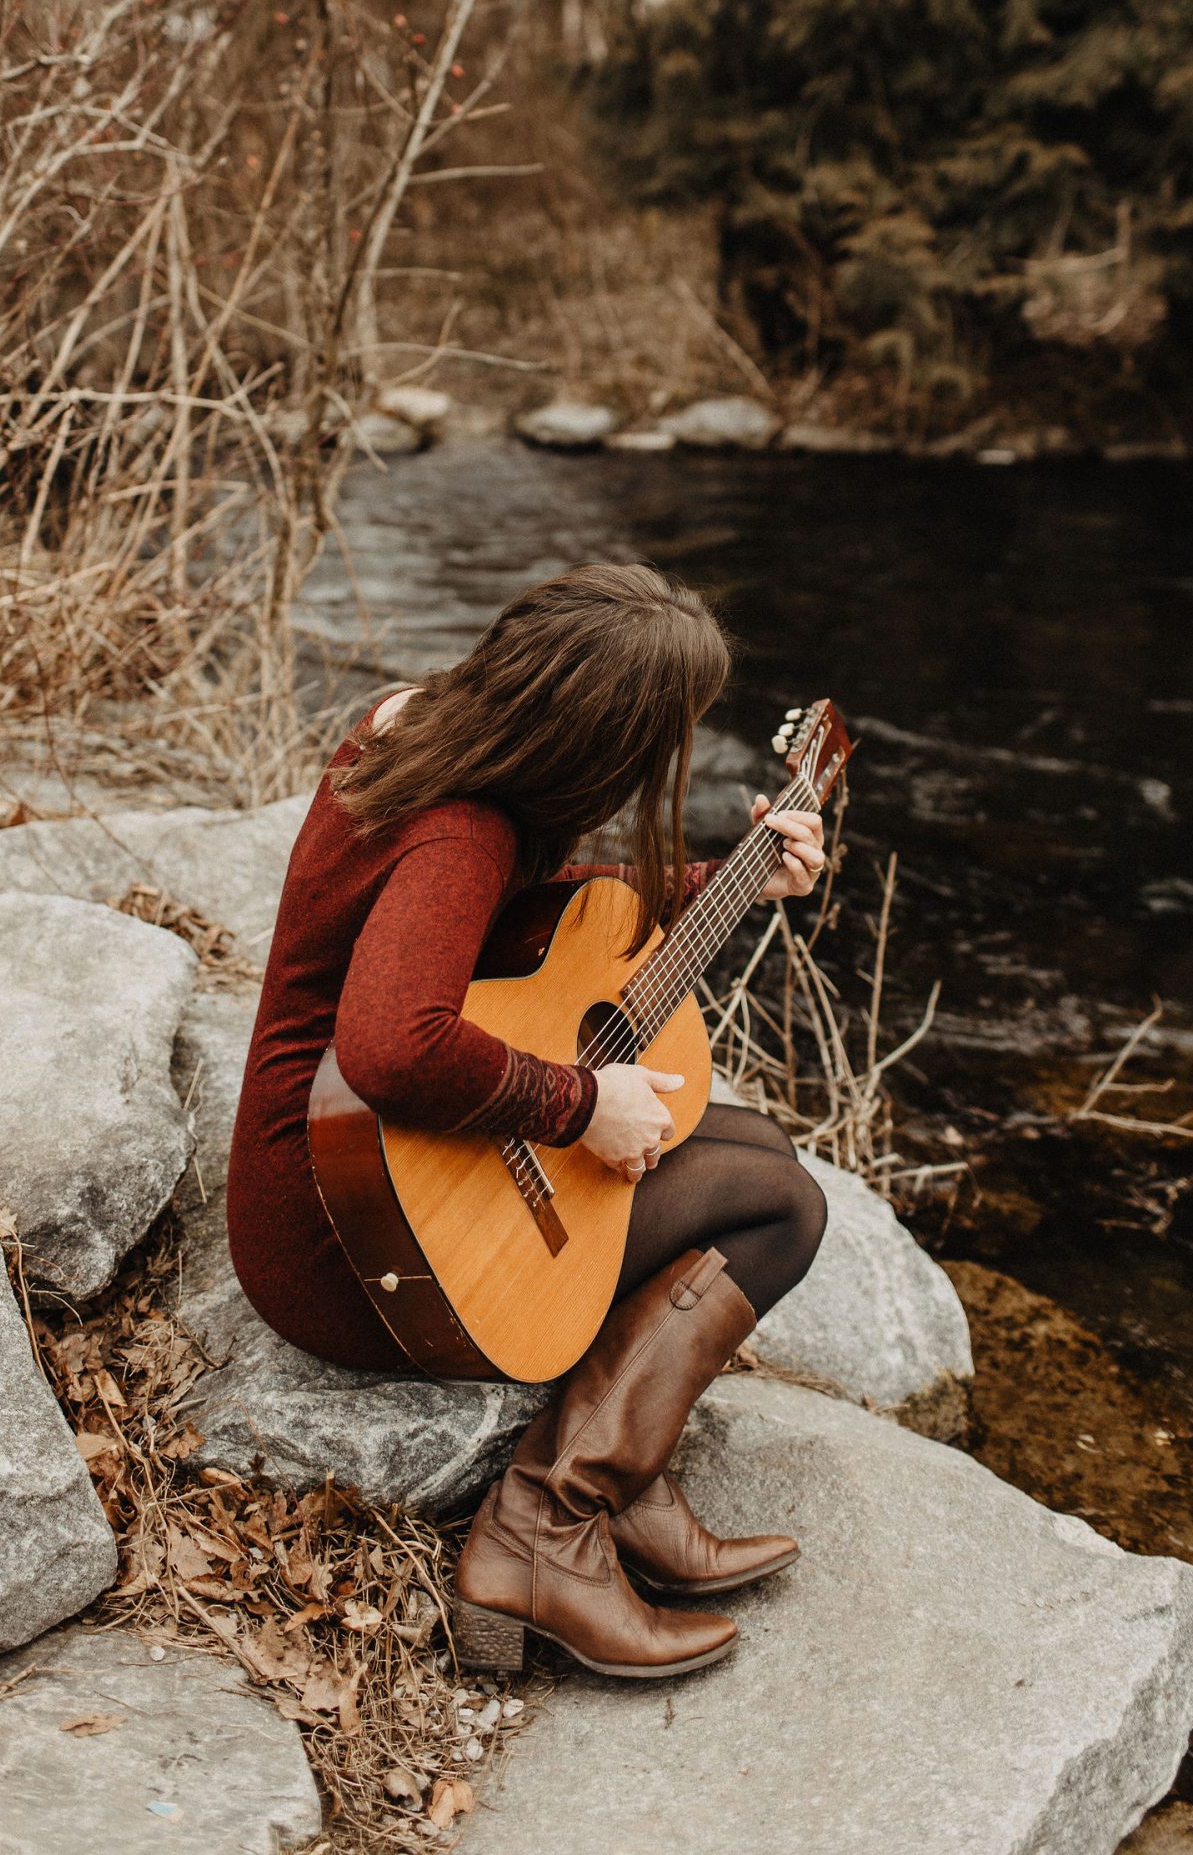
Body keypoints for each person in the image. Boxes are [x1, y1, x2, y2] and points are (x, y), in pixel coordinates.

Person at [226, 562, 828, 1680]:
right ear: (598, 739)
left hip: (351, 1169)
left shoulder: (420, 724)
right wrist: (578, 1100)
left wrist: (728, 878)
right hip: (349, 1242)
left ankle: (627, 1487)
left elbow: (509, 925)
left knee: (760, 1154)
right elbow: (393, 1045)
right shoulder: (467, 830)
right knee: (783, 1207)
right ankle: (542, 1531)